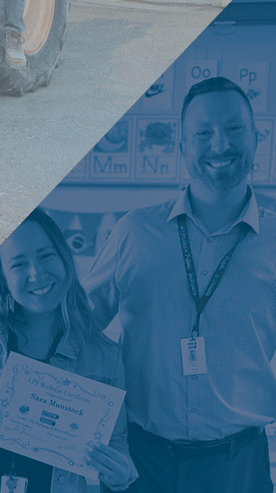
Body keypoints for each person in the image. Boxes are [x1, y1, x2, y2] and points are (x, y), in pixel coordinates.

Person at [86, 77, 276, 493]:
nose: (219, 145)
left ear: (257, 137)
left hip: (238, 466)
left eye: (234, 129)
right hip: (139, 462)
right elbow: (77, 330)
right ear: (182, 147)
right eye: (203, 133)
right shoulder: (134, 233)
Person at [0, 210, 139, 493]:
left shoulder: (104, 354)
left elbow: (117, 444)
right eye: (19, 263)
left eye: (46, 256)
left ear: (63, 257)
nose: (36, 273)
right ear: (2, 274)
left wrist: (120, 474)